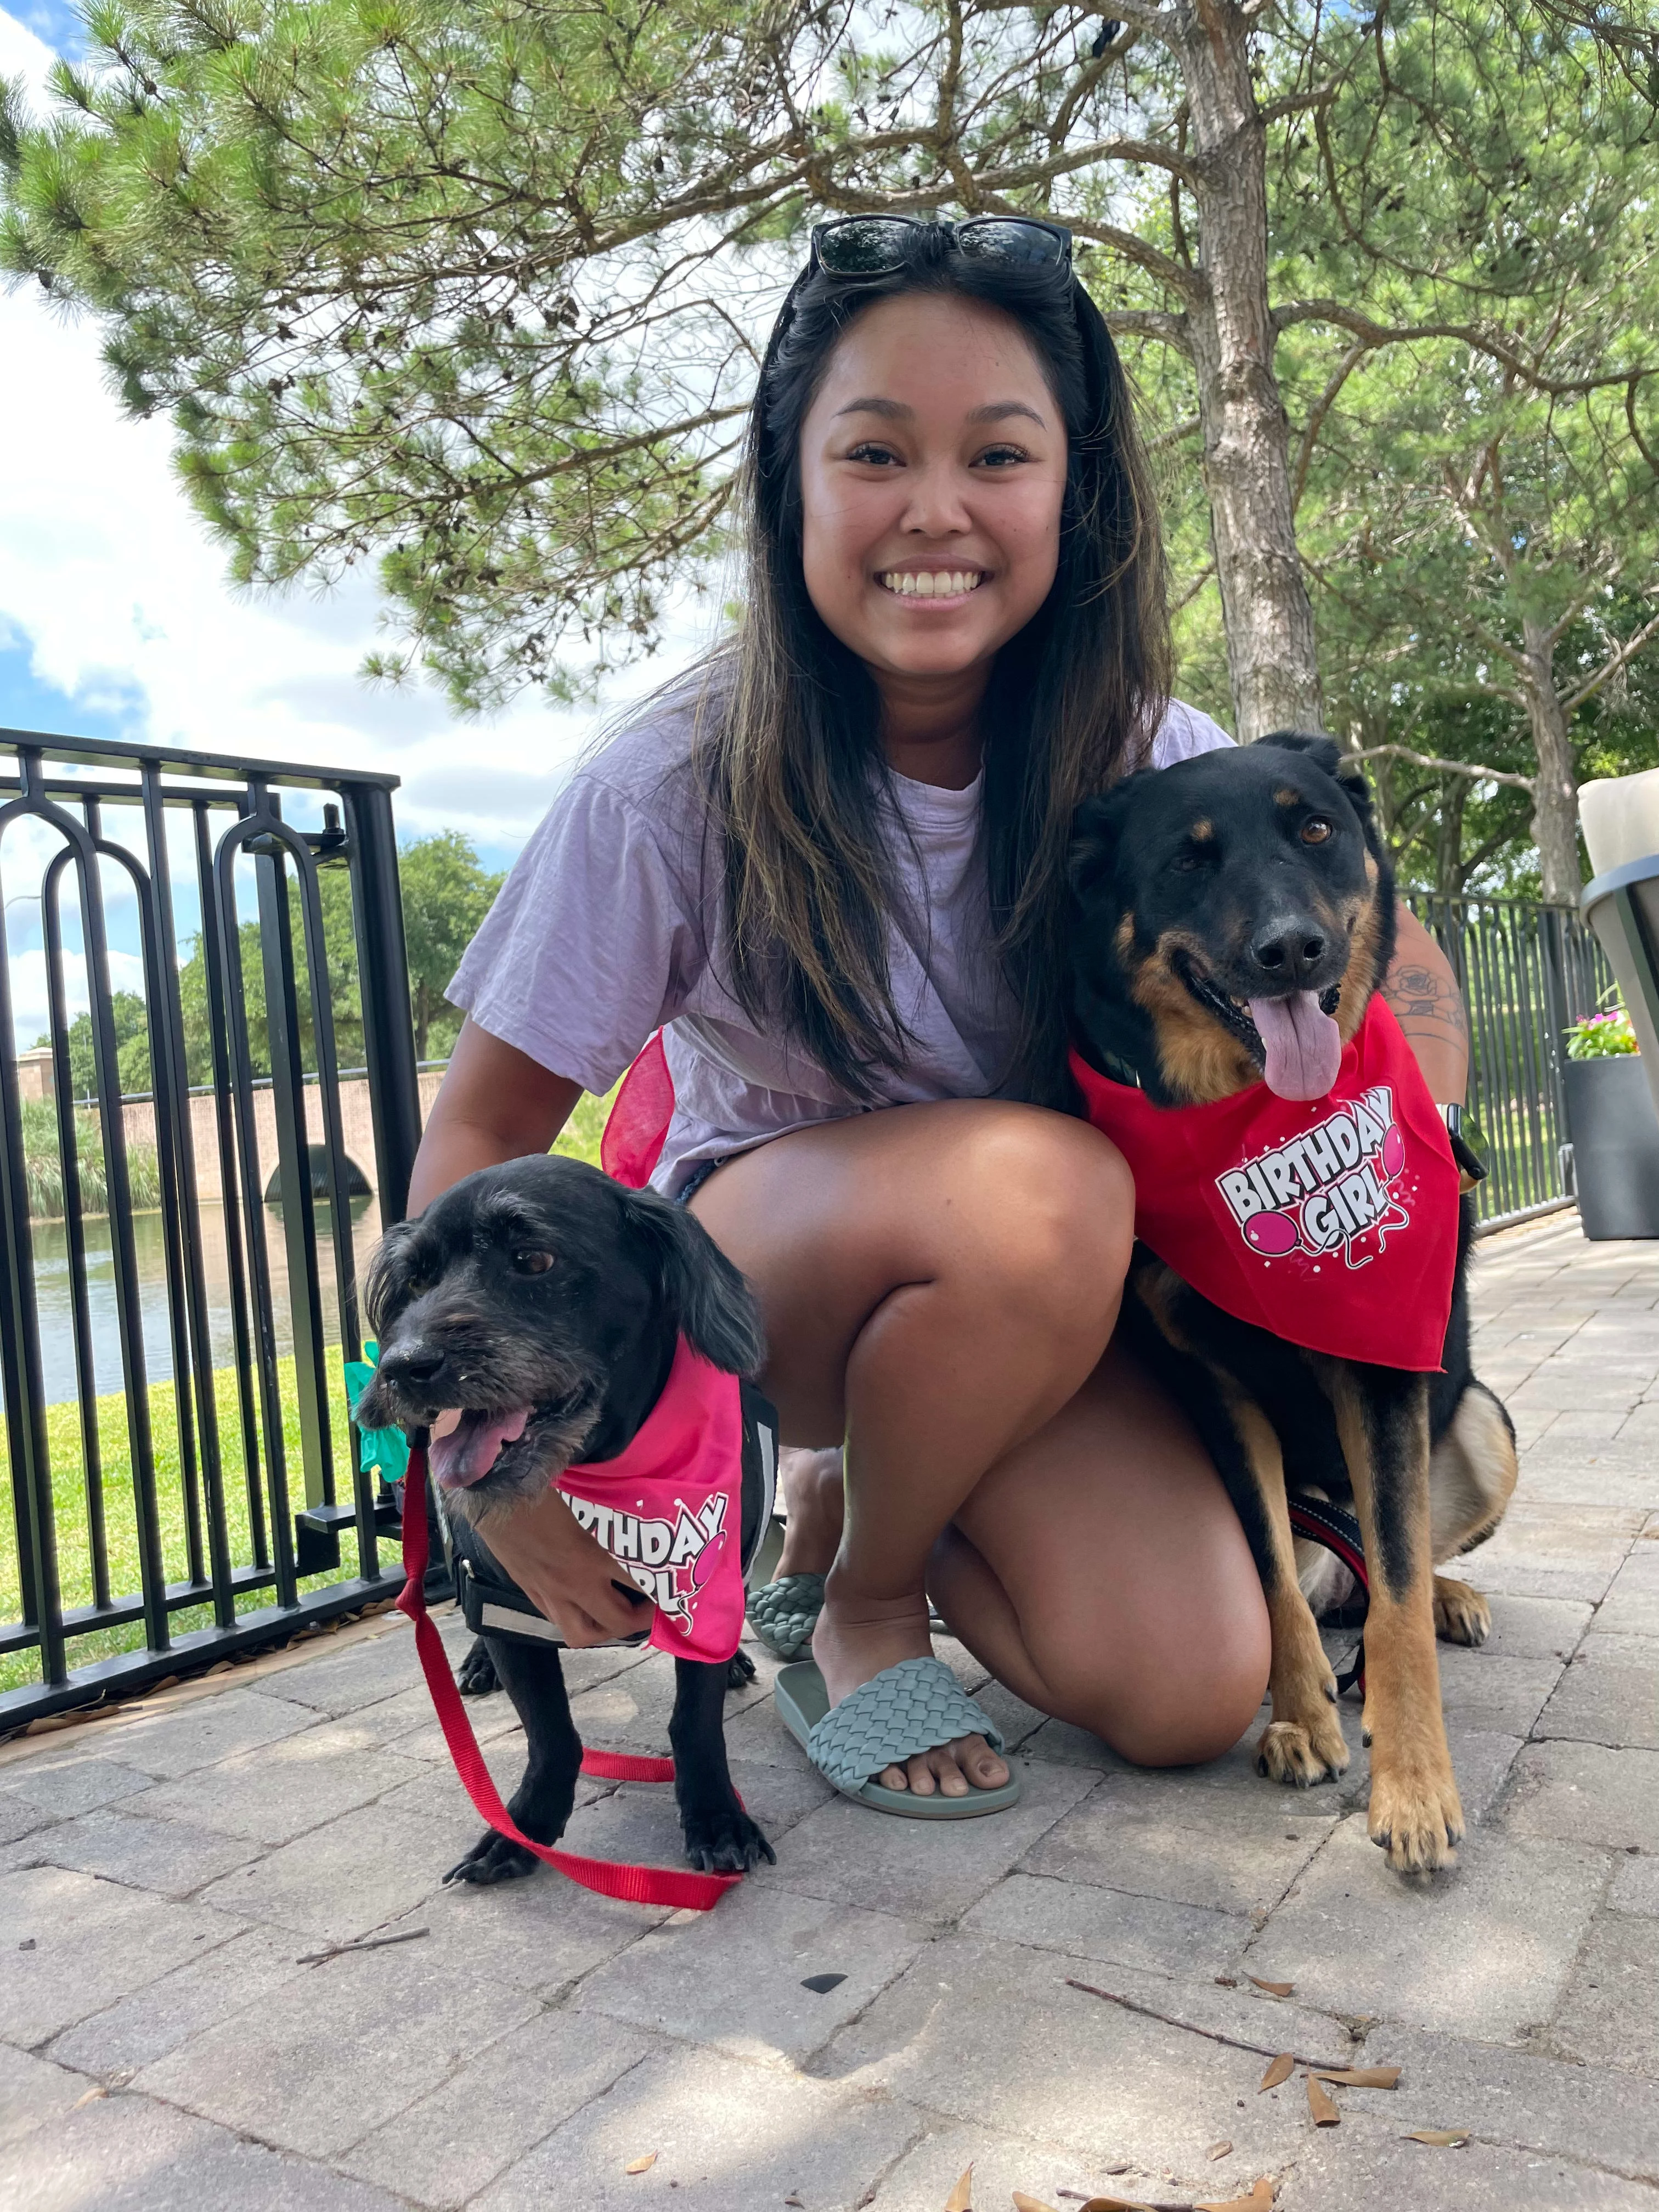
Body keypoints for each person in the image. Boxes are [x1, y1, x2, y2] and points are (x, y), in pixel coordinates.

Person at [409, 216, 1470, 1813]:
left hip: (1023, 1304)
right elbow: (484, 1128)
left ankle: (871, 1504)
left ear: (1073, 489)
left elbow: (1388, 952)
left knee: (1192, 1689)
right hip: (775, 1294)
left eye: (999, 454)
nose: (937, 510)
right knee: (1052, 1189)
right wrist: (476, 1477)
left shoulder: (1143, 755)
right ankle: (853, 1604)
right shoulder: (669, 783)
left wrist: (1391, 1191)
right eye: (876, 452)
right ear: (793, 482)